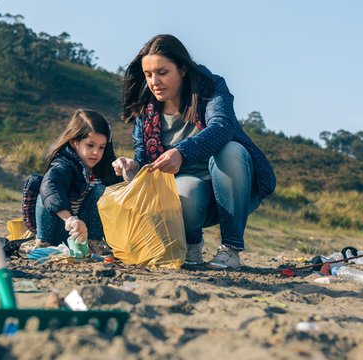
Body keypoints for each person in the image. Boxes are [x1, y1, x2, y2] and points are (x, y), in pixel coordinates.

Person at [113, 34, 276, 269]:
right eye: (149, 75)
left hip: (235, 190)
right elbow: (145, 162)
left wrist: (181, 152)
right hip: (192, 198)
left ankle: (230, 249)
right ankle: (191, 245)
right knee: (184, 188)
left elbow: (222, 127)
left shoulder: (211, 89)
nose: (154, 81)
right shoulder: (145, 112)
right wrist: (131, 167)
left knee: (230, 150)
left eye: (162, 72)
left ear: (182, 69)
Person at [28, 109, 119, 255]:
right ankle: (42, 243)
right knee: (44, 191)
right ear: (74, 142)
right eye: (90, 145)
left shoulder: (104, 166)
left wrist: (128, 170)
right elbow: (51, 188)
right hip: (60, 229)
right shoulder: (62, 164)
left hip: (85, 235)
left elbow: (122, 192)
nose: (96, 152)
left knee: (101, 190)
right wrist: (70, 219)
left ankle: (94, 244)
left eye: (101, 147)